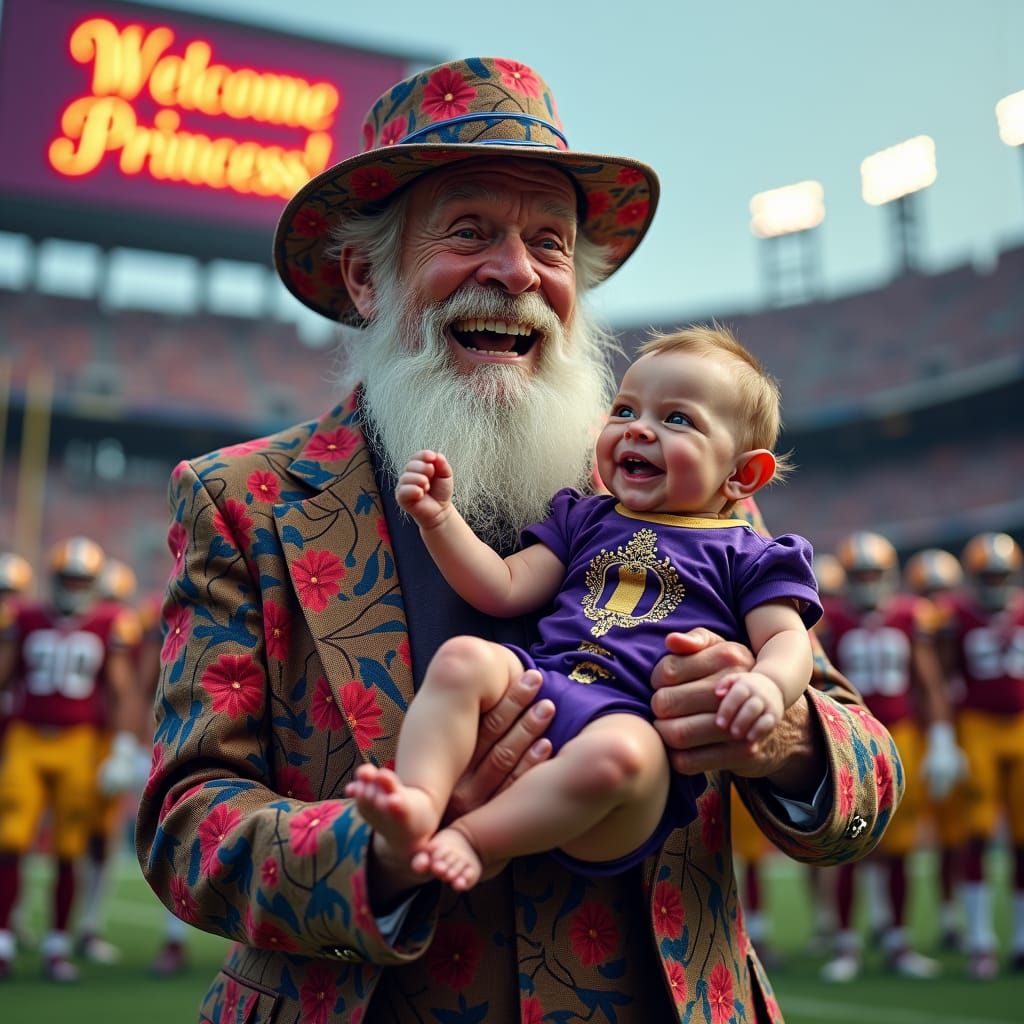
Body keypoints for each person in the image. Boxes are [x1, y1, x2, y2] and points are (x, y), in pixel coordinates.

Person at [135, 57, 904, 1023]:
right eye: (469, 233)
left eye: (551, 243)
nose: (516, 272)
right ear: (367, 276)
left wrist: (773, 734)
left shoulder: (681, 490)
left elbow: (869, 773)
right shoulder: (240, 502)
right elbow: (184, 825)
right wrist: (375, 852)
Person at [350, 327, 821, 891]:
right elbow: (502, 585)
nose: (638, 428)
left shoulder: (750, 553)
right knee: (462, 661)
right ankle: (420, 804)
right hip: (545, 686)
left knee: (621, 756)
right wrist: (440, 520)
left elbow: (786, 642)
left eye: (677, 420)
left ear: (742, 475)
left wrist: (768, 687)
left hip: (632, 728)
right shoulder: (585, 517)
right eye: (625, 409)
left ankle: (473, 838)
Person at [816, 530, 963, 982]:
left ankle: (898, 940)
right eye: (860, 574)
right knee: (849, 842)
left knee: (899, 848)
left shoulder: (907, 615)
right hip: (852, 739)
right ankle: (847, 944)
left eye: (875, 573)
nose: (867, 582)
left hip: (900, 737)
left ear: (890, 576)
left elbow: (929, 680)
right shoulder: (832, 618)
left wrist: (940, 735)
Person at [0, 538, 145, 982]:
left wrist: (122, 744)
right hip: (27, 738)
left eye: (82, 580)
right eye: (69, 579)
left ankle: (57, 944)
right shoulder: (23, 617)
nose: (75, 587)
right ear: (55, 579)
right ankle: (4, 940)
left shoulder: (109, 622)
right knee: (9, 840)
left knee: (69, 847)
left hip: (79, 742)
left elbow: (120, 690)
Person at [936, 532, 1024, 979]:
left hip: (1022, 724)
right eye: (988, 575)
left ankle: (1021, 938)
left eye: (1001, 575)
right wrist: (944, 736)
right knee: (977, 832)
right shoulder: (959, 615)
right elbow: (945, 675)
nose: (995, 583)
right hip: (977, 726)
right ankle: (980, 939)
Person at [904, 546, 969, 953]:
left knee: (955, 833)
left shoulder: (967, 625)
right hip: (913, 732)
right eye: (927, 592)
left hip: (956, 735)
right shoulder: (908, 624)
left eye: (941, 591)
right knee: (900, 835)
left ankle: (950, 916)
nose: (935, 603)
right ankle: (887, 921)